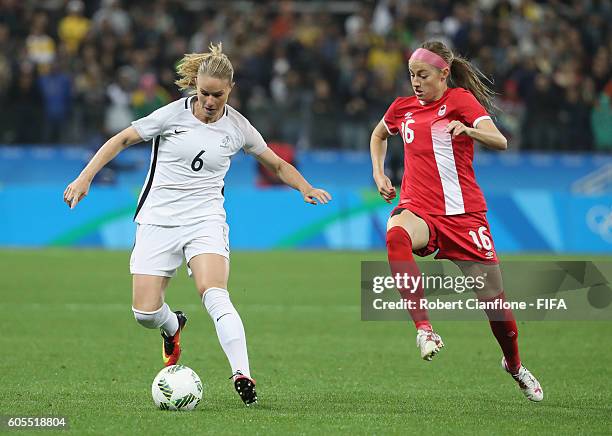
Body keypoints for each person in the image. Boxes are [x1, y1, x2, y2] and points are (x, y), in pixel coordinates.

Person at [63, 43, 331, 406]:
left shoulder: (238, 127)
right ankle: (172, 326)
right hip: (158, 219)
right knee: (144, 313)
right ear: (195, 86)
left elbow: (277, 164)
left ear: (230, 90)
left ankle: (243, 374)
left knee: (215, 293)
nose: (208, 100)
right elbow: (123, 139)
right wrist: (85, 178)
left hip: (205, 219)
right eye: (203, 92)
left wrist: (305, 186)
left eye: (217, 95)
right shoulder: (170, 116)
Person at [369, 41, 543, 402]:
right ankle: (425, 330)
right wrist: (379, 174)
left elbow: (500, 140)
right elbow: (378, 135)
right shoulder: (402, 108)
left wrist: (470, 131)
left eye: (423, 75)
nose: (415, 82)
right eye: (411, 75)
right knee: (395, 235)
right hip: (420, 210)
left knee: (496, 306)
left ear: (443, 73)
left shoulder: (461, 101)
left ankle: (514, 365)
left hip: (464, 217)